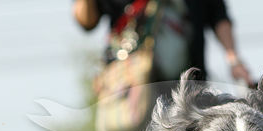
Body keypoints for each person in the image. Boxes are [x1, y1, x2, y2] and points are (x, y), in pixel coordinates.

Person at [72, 0, 253, 84]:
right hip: (135, 82)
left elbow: (217, 14)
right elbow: (87, 22)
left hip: (189, 80)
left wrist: (234, 60)